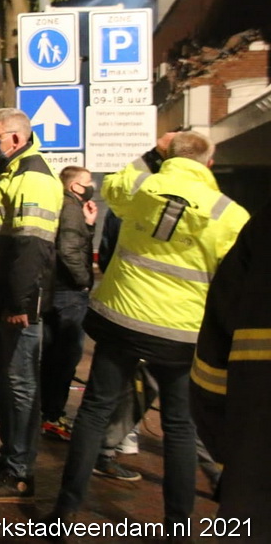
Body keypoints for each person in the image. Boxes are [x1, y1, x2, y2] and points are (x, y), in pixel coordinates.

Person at [49, 131, 249, 534]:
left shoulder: (142, 187)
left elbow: (114, 186)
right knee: (180, 427)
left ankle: (64, 513)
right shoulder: (229, 214)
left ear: (168, 154)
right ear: (209, 164)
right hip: (181, 334)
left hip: (122, 321)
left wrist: (152, 154)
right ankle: (177, 525)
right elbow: (234, 282)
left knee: (94, 412)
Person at [0, 107, 63, 503]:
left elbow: (32, 246)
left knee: (19, 383)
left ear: (17, 139)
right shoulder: (5, 174)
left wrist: (20, 301)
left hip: (13, 302)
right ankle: (9, 458)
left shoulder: (32, 179)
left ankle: (19, 471)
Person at [192, 198, 271, 541]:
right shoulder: (229, 212)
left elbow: (210, 375)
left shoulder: (262, 225)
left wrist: (237, 454)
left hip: (255, 480)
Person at [40, 166, 97, 442]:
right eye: (88, 181)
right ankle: (53, 416)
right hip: (69, 294)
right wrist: (84, 280)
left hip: (53, 291)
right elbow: (69, 249)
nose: (92, 185)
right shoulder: (71, 208)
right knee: (64, 360)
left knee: (51, 358)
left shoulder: (63, 205)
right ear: (75, 186)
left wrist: (89, 225)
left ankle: (45, 414)